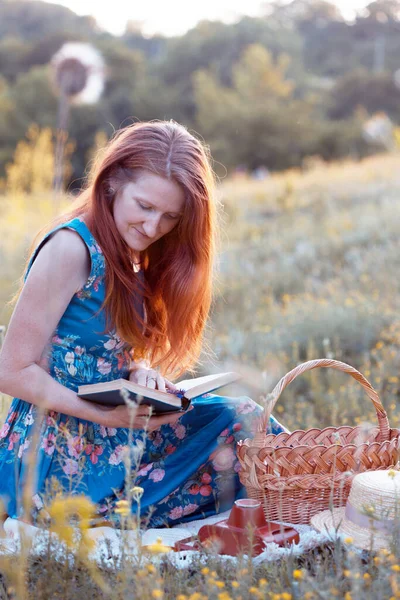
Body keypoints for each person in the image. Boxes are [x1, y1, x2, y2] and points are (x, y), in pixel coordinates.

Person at [0, 120, 287, 528]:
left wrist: (140, 371)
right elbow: (11, 371)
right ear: (113, 181)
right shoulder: (69, 248)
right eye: (145, 207)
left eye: (170, 216)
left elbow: (102, 348)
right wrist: (107, 417)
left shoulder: (131, 251)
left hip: (117, 429)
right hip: (58, 453)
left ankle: (322, 490)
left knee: (243, 417)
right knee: (227, 462)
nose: (154, 228)